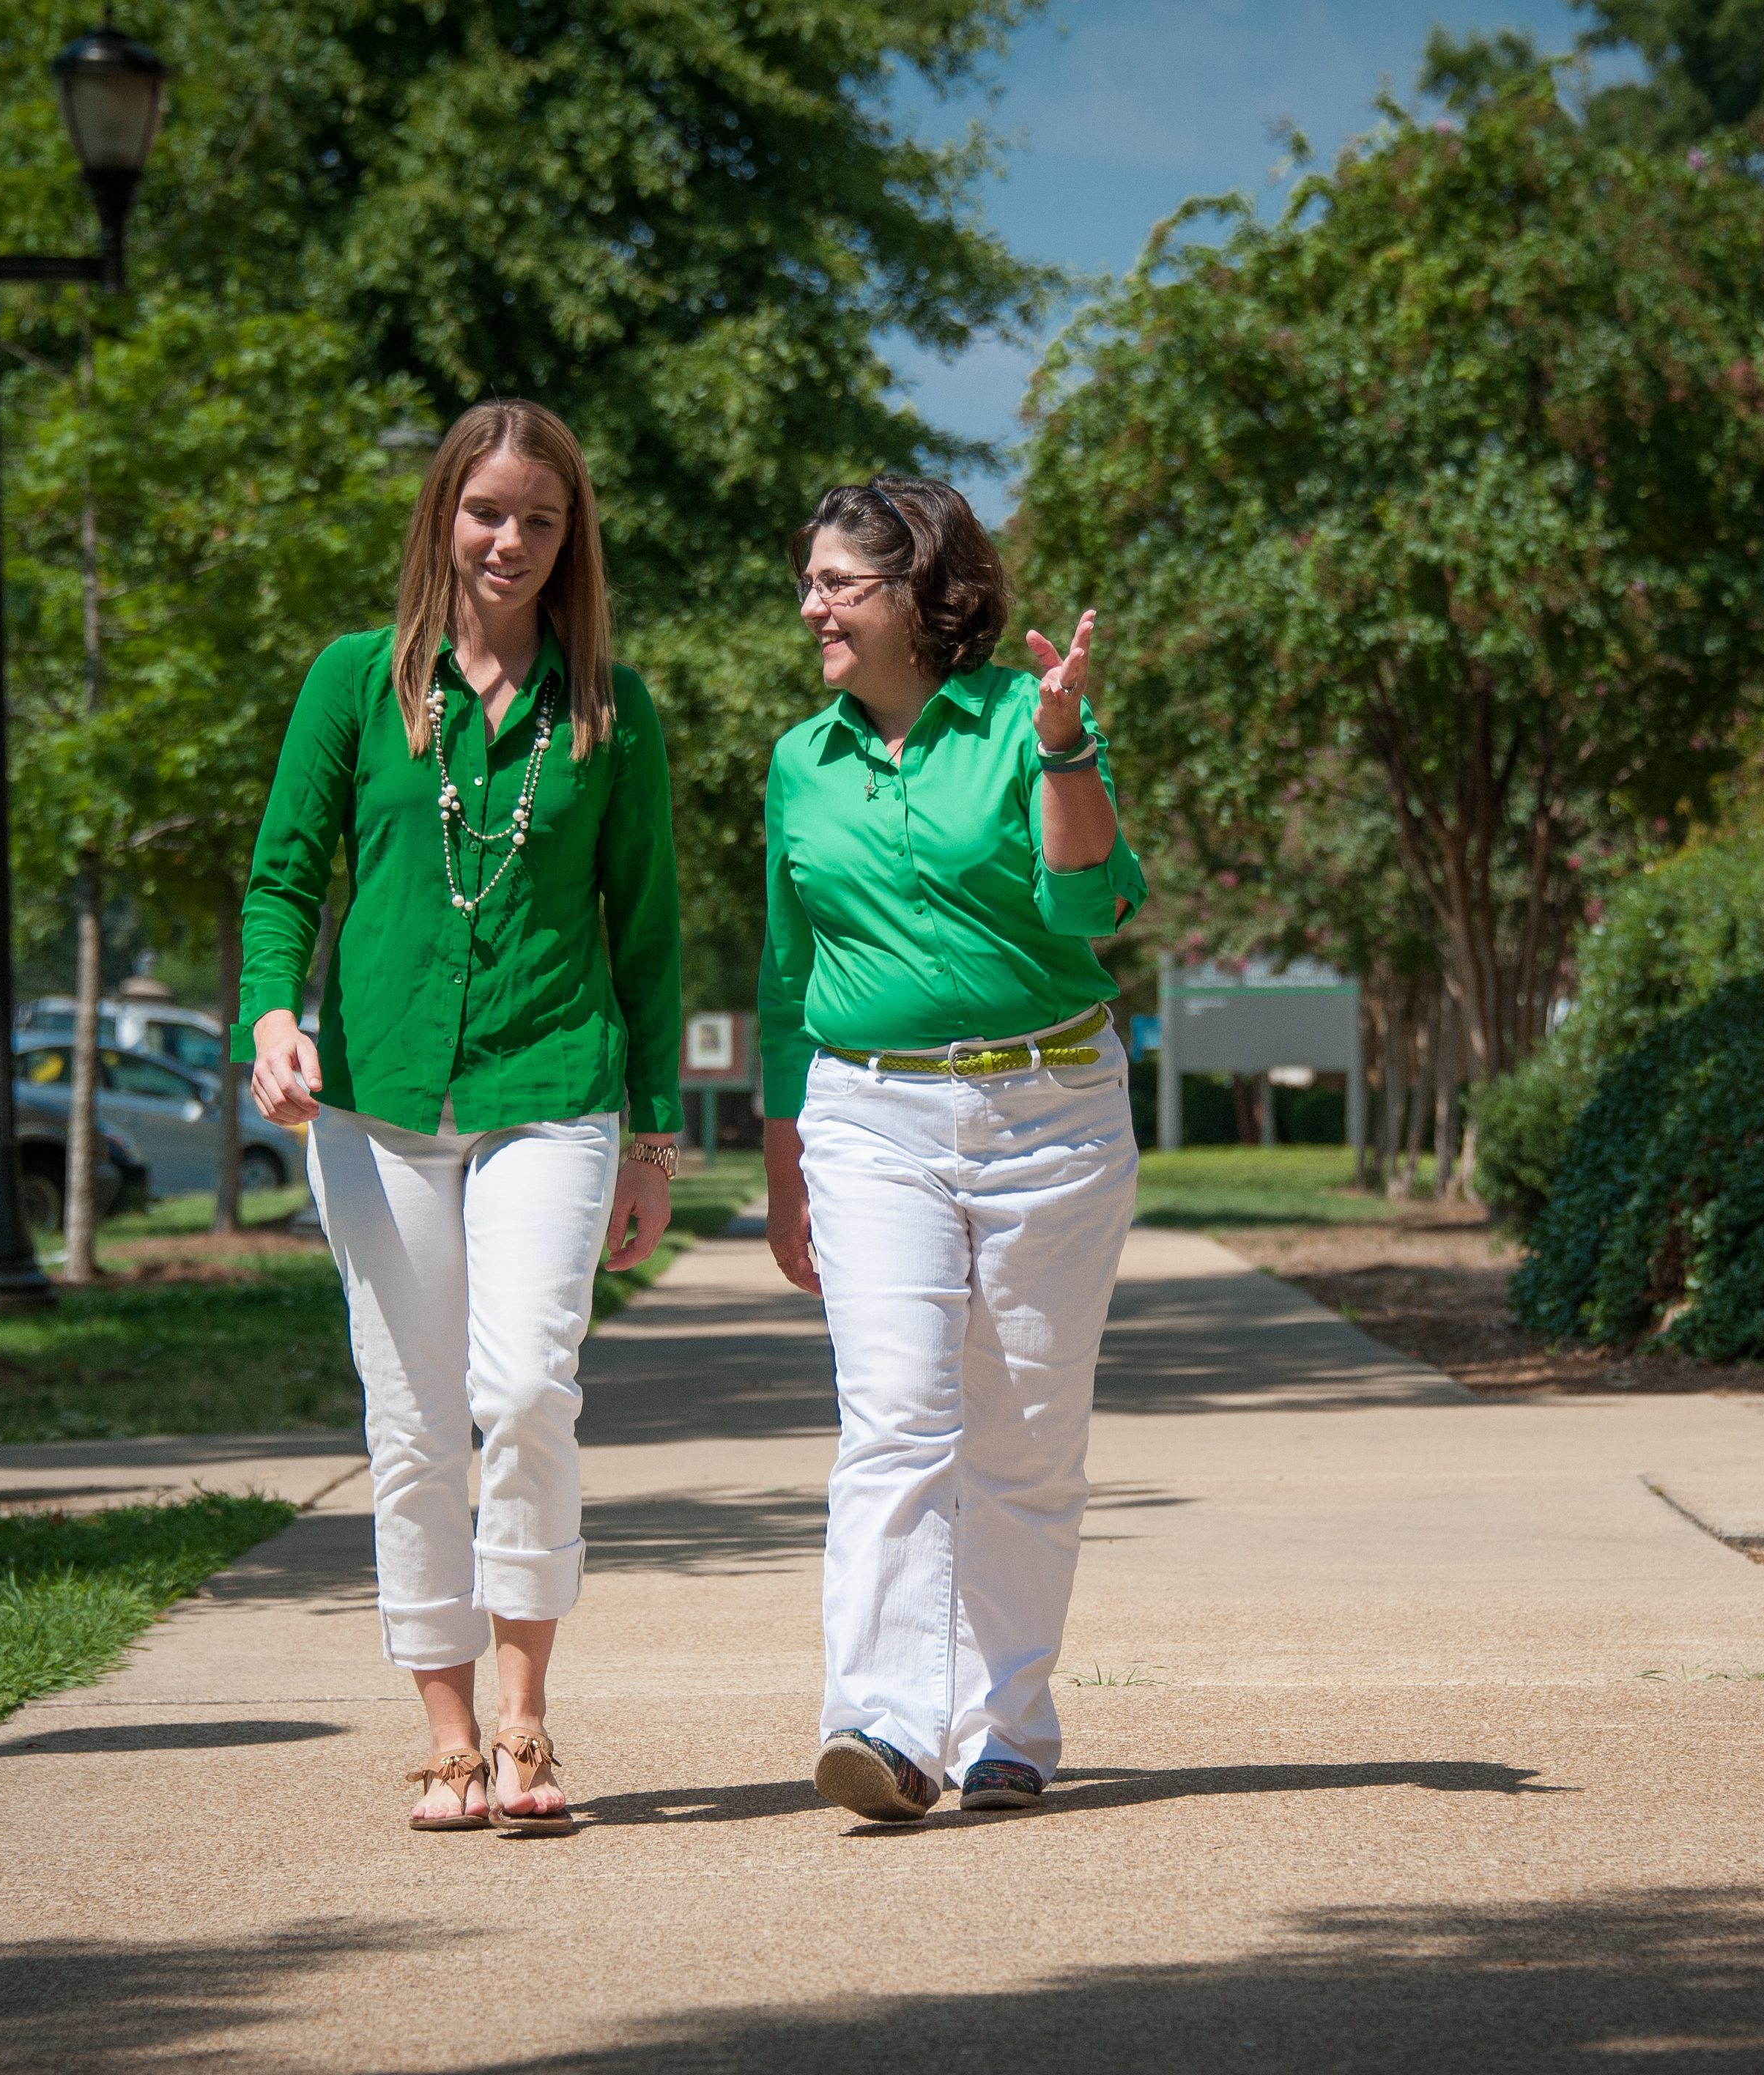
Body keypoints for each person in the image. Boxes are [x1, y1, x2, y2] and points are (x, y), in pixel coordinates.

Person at [240, 399, 681, 1835]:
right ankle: (441, 1736)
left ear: (572, 540)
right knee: (416, 1420)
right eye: (487, 511)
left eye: (540, 520)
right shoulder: (356, 685)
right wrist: (271, 1016)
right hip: (374, 1105)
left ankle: (525, 1718)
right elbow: (281, 879)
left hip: (550, 1086)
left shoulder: (611, 710)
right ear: (443, 515)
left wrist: (658, 1139)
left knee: (528, 1390)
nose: (510, 540)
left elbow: (653, 932)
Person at [759, 474, 1146, 1822]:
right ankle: (881, 1724)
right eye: (809, 581)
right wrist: (781, 1161)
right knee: (893, 1424)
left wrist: (1064, 751)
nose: (810, 604)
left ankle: (1010, 1725)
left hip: (1053, 1114)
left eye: (836, 583)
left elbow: (1090, 904)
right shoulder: (801, 763)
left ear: (922, 593)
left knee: (1026, 1439)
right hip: (870, 1116)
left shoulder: (1023, 722)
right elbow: (783, 969)